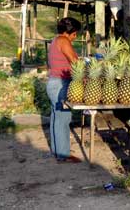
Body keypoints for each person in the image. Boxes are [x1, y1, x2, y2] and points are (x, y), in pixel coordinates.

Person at [46, 17, 82, 163]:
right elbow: (75, 61)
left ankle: (58, 151)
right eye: (75, 34)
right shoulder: (64, 41)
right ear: (70, 32)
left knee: (57, 118)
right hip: (61, 84)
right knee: (63, 118)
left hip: (54, 83)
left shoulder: (55, 40)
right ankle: (63, 155)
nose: (75, 37)